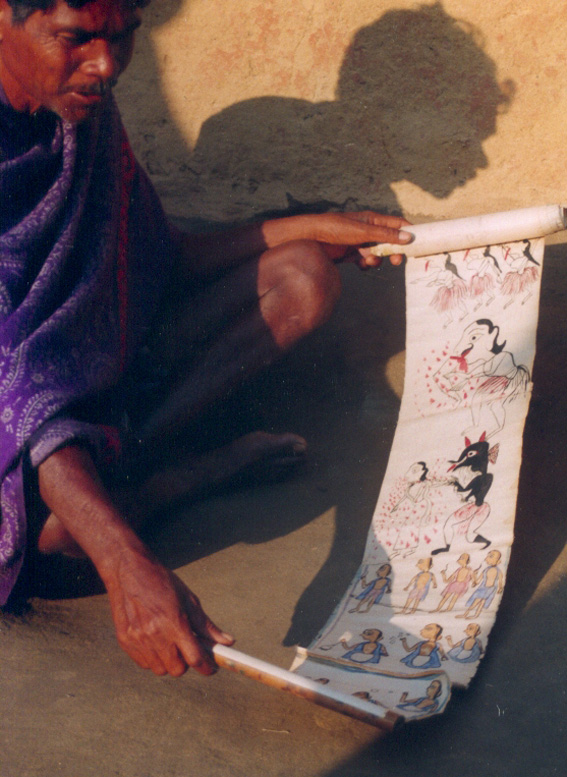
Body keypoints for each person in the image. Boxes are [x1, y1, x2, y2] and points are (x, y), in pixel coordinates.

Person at [0, 0, 411, 678]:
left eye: (123, 39)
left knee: (302, 278)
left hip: (90, 382)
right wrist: (125, 560)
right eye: (75, 38)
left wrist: (311, 226)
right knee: (58, 536)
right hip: (18, 430)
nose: (105, 67)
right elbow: (15, 384)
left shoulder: (82, 113)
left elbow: (162, 256)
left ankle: (127, 468)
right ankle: (187, 475)